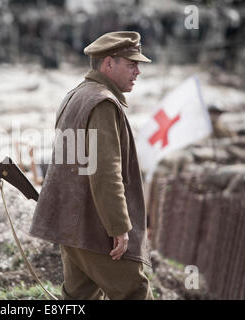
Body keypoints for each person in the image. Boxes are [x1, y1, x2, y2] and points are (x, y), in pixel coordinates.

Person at [30, 31, 153, 300]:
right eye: (132, 64)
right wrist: (118, 226)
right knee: (135, 293)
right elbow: (105, 172)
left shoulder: (76, 95)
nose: (138, 71)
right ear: (109, 63)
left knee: (78, 298)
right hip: (94, 229)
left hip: (71, 226)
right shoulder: (103, 103)